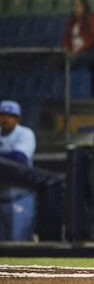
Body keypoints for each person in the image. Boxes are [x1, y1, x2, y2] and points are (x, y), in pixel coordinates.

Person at [0, 101, 36, 241]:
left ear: (18, 119)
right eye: (3, 115)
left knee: (18, 242)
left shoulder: (25, 134)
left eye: (10, 116)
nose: (5, 119)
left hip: (20, 198)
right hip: (1, 196)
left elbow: (18, 157)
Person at [61, 0, 94, 95]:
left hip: (89, 53)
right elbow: (66, 39)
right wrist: (66, 49)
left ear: (84, 6)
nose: (76, 8)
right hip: (74, 53)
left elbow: (89, 39)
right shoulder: (72, 22)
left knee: (74, 60)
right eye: (74, 6)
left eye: (78, 5)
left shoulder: (91, 19)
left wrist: (76, 52)